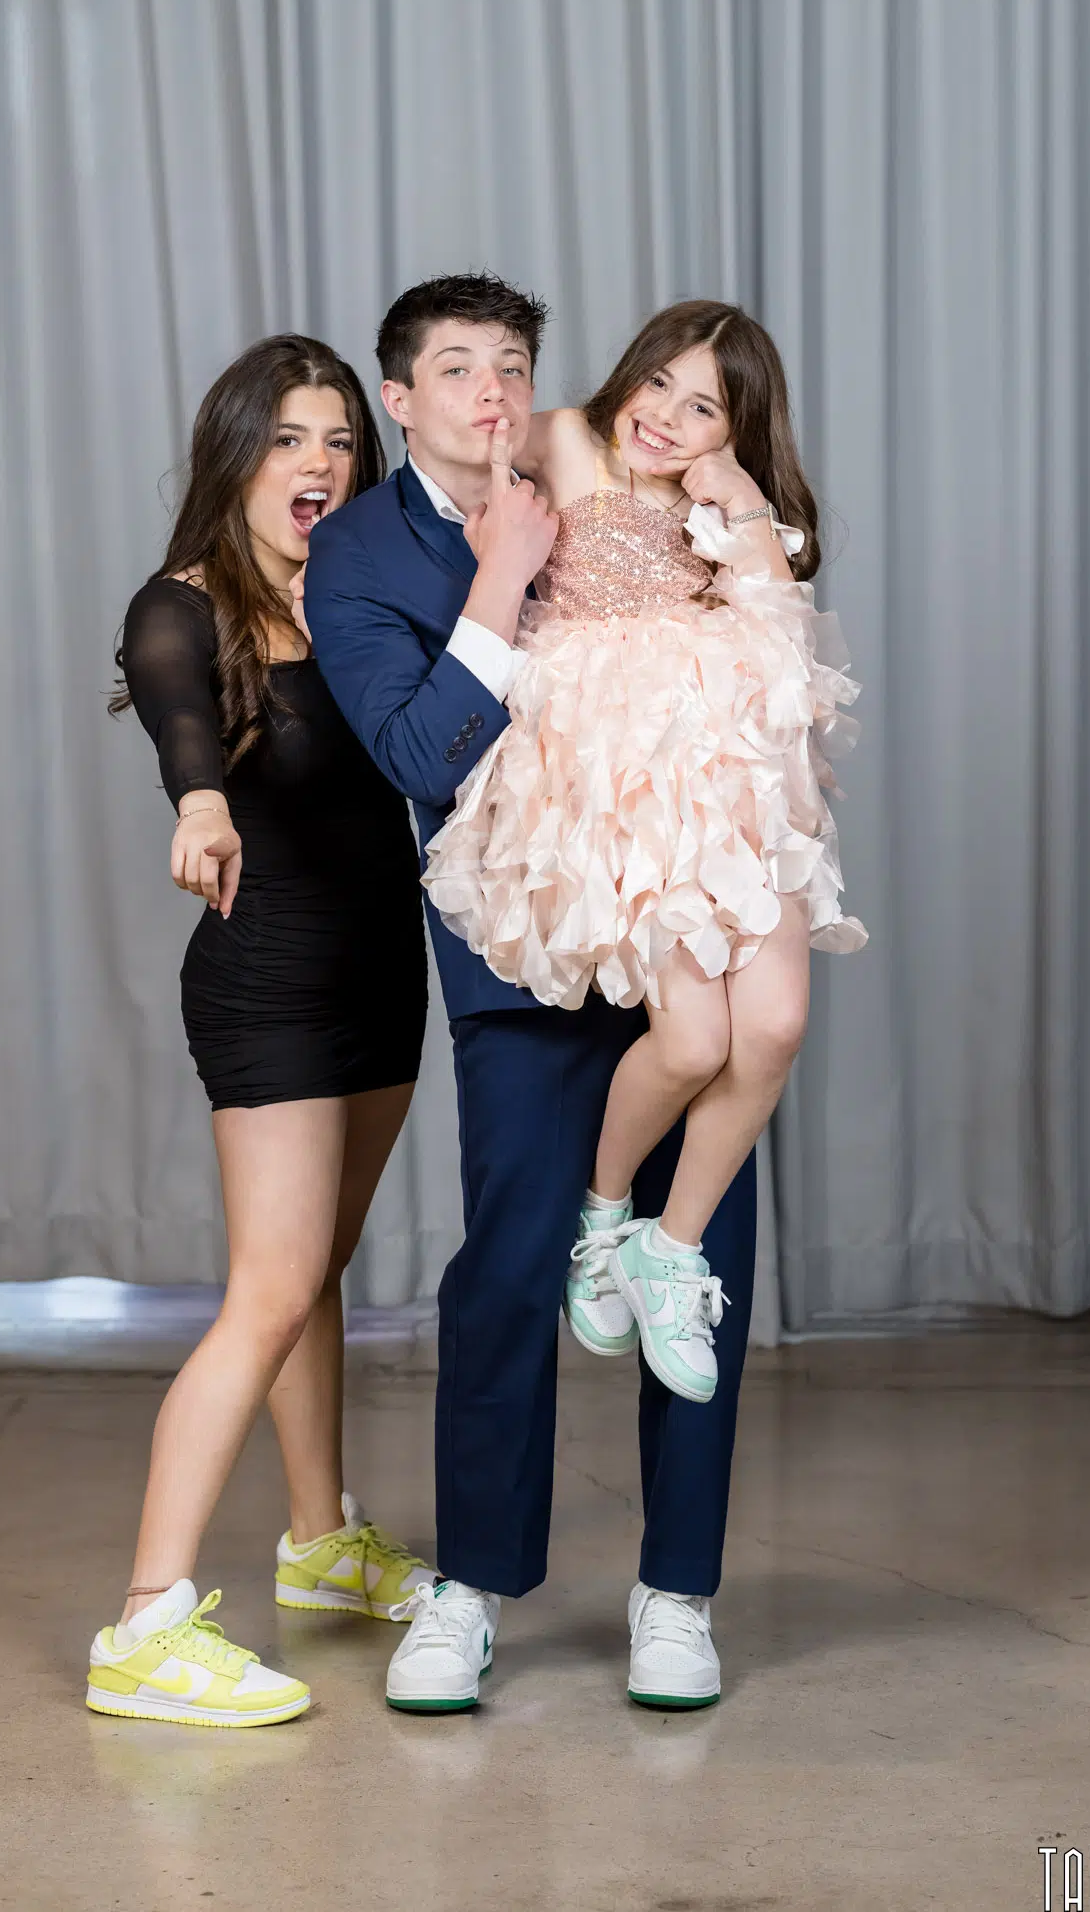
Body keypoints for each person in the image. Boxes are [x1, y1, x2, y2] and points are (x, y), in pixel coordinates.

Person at [303, 274, 758, 1716]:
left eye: (510, 361)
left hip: (681, 936)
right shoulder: (360, 553)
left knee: (690, 1269)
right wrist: (501, 571)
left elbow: (741, 635)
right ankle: (474, 1583)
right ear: (400, 397)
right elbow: (425, 758)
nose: (490, 388)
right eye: (455, 367)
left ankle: (678, 1592)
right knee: (506, 1267)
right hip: (516, 960)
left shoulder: (601, 461)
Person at [422, 301, 865, 1407]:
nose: (666, 415)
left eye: (703, 405)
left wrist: (752, 514)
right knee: (693, 1034)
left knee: (773, 1024)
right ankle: (606, 1211)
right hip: (618, 787)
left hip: (733, 786)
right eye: (659, 382)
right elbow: (452, 453)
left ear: (736, 427)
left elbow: (788, 658)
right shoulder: (568, 438)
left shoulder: (734, 505)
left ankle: (669, 1248)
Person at [88, 335, 433, 1731]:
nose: (321, 464)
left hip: (381, 977)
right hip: (269, 983)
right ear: (235, 452)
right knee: (270, 1286)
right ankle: (143, 1627)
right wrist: (200, 804)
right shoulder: (182, 606)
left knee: (316, 1274)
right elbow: (184, 728)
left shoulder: (359, 596)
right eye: (290, 438)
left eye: (342, 439)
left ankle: (318, 1543)